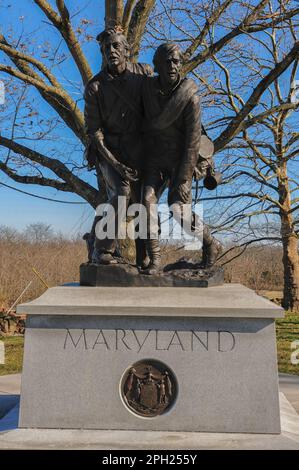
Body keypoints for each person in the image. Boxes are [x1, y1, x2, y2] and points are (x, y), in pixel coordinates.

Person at [142, 43, 222, 274]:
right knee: (147, 201)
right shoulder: (146, 89)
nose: (172, 66)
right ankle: (155, 260)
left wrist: (183, 177)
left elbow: (193, 142)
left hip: (181, 161)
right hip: (155, 159)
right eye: (167, 61)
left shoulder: (190, 98)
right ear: (157, 65)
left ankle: (210, 244)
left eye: (176, 61)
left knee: (178, 209)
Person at [84, 26, 152, 266]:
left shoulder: (143, 73)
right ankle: (101, 249)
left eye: (116, 46)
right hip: (108, 150)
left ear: (127, 50)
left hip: (140, 148)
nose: (111, 51)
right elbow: (94, 132)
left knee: (145, 199)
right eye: (106, 48)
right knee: (121, 193)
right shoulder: (95, 87)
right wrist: (116, 164)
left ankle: (144, 254)